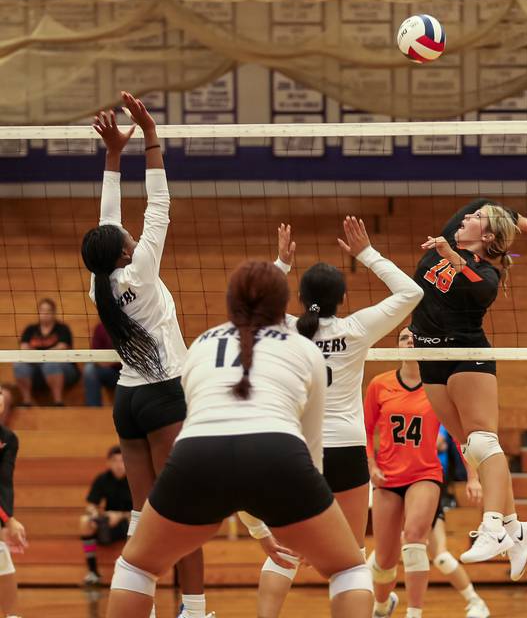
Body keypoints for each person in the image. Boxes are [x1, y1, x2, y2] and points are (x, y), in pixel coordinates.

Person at [104, 260, 373, 618]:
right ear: (283, 306)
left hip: (196, 456)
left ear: (231, 303)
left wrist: (259, 528)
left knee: (136, 567)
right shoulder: (305, 349)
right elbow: (310, 449)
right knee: (350, 569)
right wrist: (312, 515)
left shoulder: (200, 344)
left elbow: (218, 437)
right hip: (278, 454)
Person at [80, 95, 208, 618]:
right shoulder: (142, 272)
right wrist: (150, 136)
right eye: (129, 239)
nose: (133, 235)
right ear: (126, 251)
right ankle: (196, 609)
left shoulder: (100, 284)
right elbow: (159, 205)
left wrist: (113, 156)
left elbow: (107, 221)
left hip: (128, 401)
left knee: (141, 513)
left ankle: (146, 607)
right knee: (184, 507)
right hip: (162, 397)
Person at [255, 218, 423, 617]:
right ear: (342, 298)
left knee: (287, 551)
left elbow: (252, 304)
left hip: (299, 451)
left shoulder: (287, 328)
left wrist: (280, 263)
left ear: (301, 296)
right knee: (350, 558)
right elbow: (412, 291)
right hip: (347, 450)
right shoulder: (355, 328)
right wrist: (366, 253)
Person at [410, 198, 527, 578]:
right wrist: (522, 221)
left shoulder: (488, 275)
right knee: (473, 448)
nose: (467, 217)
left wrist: (452, 255)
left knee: (484, 441)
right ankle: (516, 528)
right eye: (469, 217)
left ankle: (493, 526)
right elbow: (482, 201)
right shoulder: (456, 235)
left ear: (485, 235)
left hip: (465, 352)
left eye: (476, 219)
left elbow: (472, 280)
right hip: (429, 353)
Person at [364, 327, 489, 618]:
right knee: (384, 559)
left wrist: (473, 476)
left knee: (415, 539)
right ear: (397, 347)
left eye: (414, 337)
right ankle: (383, 606)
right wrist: (371, 464)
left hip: (425, 474)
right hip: (387, 478)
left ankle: (415, 613)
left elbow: (460, 436)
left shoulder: (438, 387)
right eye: (403, 338)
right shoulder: (379, 385)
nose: (409, 342)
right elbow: (366, 430)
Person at [12, 297, 79, 406]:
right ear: (38, 312)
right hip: (36, 369)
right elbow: (24, 347)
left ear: (54, 313)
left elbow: (62, 347)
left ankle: (58, 402)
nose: (45, 313)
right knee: (19, 365)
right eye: (42, 310)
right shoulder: (31, 329)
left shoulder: (62, 329)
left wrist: (40, 355)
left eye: (48, 311)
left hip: (64, 369)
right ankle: (26, 401)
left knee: (50, 364)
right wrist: (42, 356)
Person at [80, 446, 132, 585]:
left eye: (122, 460)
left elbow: (144, 508)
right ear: (108, 462)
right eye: (114, 461)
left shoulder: (135, 479)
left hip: (130, 523)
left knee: (136, 522)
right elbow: (91, 505)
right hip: (108, 524)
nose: (119, 465)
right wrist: (96, 515)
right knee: (85, 521)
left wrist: (120, 515)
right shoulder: (102, 479)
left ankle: (131, 572)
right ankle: (92, 571)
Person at [0, 388, 26, 618]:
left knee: (1, 553)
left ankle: (11, 616)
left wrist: (9, 518)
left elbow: (4, 482)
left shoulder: (8, 439)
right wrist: (8, 520)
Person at [83, 322, 122, 407]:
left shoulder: (129, 326)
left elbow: (132, 355)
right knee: (89, 369)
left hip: (129, 371)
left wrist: (112, 361)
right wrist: (101, 362)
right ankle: (93, 410)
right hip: (110, 372)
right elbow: (94, 353)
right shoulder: (101, 327)